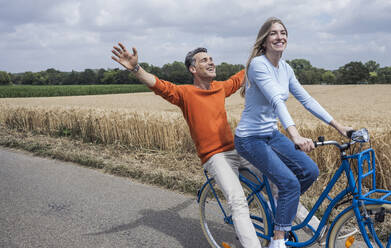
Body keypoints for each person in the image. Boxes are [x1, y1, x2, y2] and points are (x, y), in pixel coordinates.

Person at [111, 43, 262, 247]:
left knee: (277, 184)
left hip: (236, 149)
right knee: (238, 202)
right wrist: (136, 69)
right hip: (215, 157)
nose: (211, 62)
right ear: (193, 69)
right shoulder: (185, 93)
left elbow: (239, 78)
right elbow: (158, 85)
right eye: (204, 60)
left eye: (210, 59)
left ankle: (317, 232)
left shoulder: (220, 88)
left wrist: (261, 52)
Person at [234, 17, 353, 248]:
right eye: (273, 33)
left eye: (283, 32)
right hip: (250, 139)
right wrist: (295, 136)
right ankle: (278, 241)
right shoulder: (258, 65)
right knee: (289, 184)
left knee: (309, 171)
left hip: (270, 134)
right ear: (264, 41)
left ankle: (276, 208)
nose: (280, 37)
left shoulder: (285, 68)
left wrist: (339, 127)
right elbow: (277, 101)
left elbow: (306, 99)